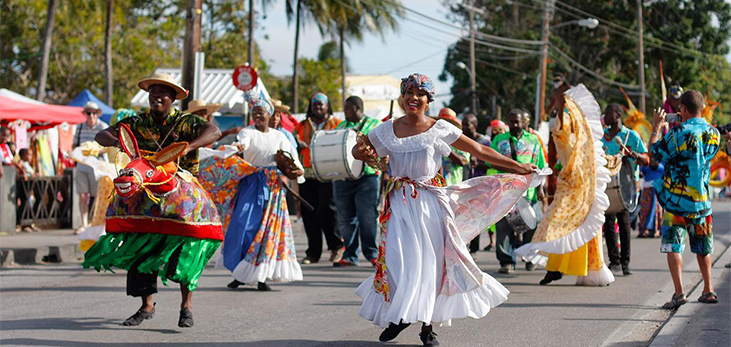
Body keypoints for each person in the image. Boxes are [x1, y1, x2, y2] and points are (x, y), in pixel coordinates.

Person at [353, 73, 537, 346]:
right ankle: (401, 315)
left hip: (429, 203)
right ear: (402, 97)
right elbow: (360, 150)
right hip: (399, 203)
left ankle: (427, 328)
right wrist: (364, 152)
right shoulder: (387, 129)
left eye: (420, 94)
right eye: (409, 92)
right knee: (398, 260)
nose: (413, 98)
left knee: (430, 265)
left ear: (428, 99)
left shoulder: (440, 128)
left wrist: (518, 167)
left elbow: (479, 151)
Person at [87, 72, 223, 328]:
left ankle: (186, 306)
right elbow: (100, 135)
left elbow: (214, 131)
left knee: (185, 246)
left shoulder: (186, 121)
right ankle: (146, 305)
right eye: (153, 92)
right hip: (145, 191)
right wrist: (119, 142)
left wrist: (189, 147)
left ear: (173, 97)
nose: (157, 96)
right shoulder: (137, 122)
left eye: (162, 92)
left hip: (182, 190)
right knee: (141, 244)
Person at [200, 92, 304, 291]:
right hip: (250, 183)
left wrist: (297, 172)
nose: (257, 116)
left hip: (272, 188)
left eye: (260, 112)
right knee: (242, 225)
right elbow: (243, 143)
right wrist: (237, 147)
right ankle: (241, 272)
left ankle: (261, 275)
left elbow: (294, 162)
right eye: (254, 112)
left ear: (269, 113)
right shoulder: (247, 132)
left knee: (267, 229)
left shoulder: (279, 136)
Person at [516, 84, 615, 287]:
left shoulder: (586, 137)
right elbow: (559, 131)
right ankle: (554, 268)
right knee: (557, 222)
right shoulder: (566, 131)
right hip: (570, 183)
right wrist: (560, 106)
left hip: (586, 184)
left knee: (588, 226)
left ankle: (589, 270)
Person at [649, 90, 720, 309]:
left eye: (679, 108)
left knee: (674, 247)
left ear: (684, 109)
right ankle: (708, 290)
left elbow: (654, 154)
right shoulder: (714, 133)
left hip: (676, 202)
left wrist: (656, 128)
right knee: (703, 249)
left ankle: (679, 294)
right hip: (702, 202)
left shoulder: (677, 132)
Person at [488, 109, 547, 274]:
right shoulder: (500, 140)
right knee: (504, 227)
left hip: (529, 192)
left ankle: (530, 257)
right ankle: (507, 261)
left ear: (524, 123)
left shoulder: (534, 140)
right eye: (511, 121)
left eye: (517, 122)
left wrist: (541, 189)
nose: (514, 125)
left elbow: (540, 166)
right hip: (505, 191)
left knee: (533, 224)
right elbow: (491, 162)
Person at [329, 96, 382, 267]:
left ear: (357, 107)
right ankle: (350, 255)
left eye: (346, 109)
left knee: (367, 216)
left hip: (367, 177)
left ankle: (372, 253)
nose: (344, 113)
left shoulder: (375, 124)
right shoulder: (341, 127)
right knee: (346, 218)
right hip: (343, 178)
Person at [294, 93, 344, 264]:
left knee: (327, 211)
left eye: (321, 104)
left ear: (327, 106)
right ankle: (313, 253)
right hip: (306, 174)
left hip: (329, 172)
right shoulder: (301, 125)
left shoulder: (337, 124)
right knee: (309, 212)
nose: (318, 107)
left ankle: (336, 247)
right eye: (315, 104)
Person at [601, 104, 650, 275]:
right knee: (608, 222)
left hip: (626, 185)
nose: (605, 116)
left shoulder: (630, 136)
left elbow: (646, 159)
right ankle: (614, 261)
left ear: (618, 115)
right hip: (607, 183)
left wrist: (634, 155)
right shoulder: (602, 137)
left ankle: (625, 262)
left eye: (608, 113)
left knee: (624, 222)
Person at [73, 102, 110, 234]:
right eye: (89, 113)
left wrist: (95, 151)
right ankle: (83, 223)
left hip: (97, 166)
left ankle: (92, 222)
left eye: (93, 113)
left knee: (96, 196)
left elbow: (108, 147)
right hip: (82, 164)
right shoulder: (80, 128)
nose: (91, 116)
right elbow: (74, 145)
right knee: (82, 195)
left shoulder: (103, 127)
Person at [461, 114, 495, 253]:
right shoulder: (460, 139)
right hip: (463, 183)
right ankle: (463, 246)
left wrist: (479, 162)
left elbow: (492, 160)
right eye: (463, 124)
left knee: (476, 216)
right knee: (463, 217)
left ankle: (473, 248)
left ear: (474, 126)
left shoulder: (485, 142)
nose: (463, 127)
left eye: (467, 124)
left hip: (481, 185)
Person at [438, 108, 470, 185]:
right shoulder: (434, 138)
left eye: (447, 122)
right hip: (436, 186)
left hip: (453, 185)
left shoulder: (459, 140)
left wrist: (446, 149)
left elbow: (463, 161)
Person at [638, 159, 664, 238]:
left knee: (656, 209)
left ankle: (655, 230)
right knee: (645, 209)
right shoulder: (645, 159)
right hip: (647, 188)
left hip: (658, 188)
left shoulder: (663, 157)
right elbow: (640, 172)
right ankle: (645, 229)